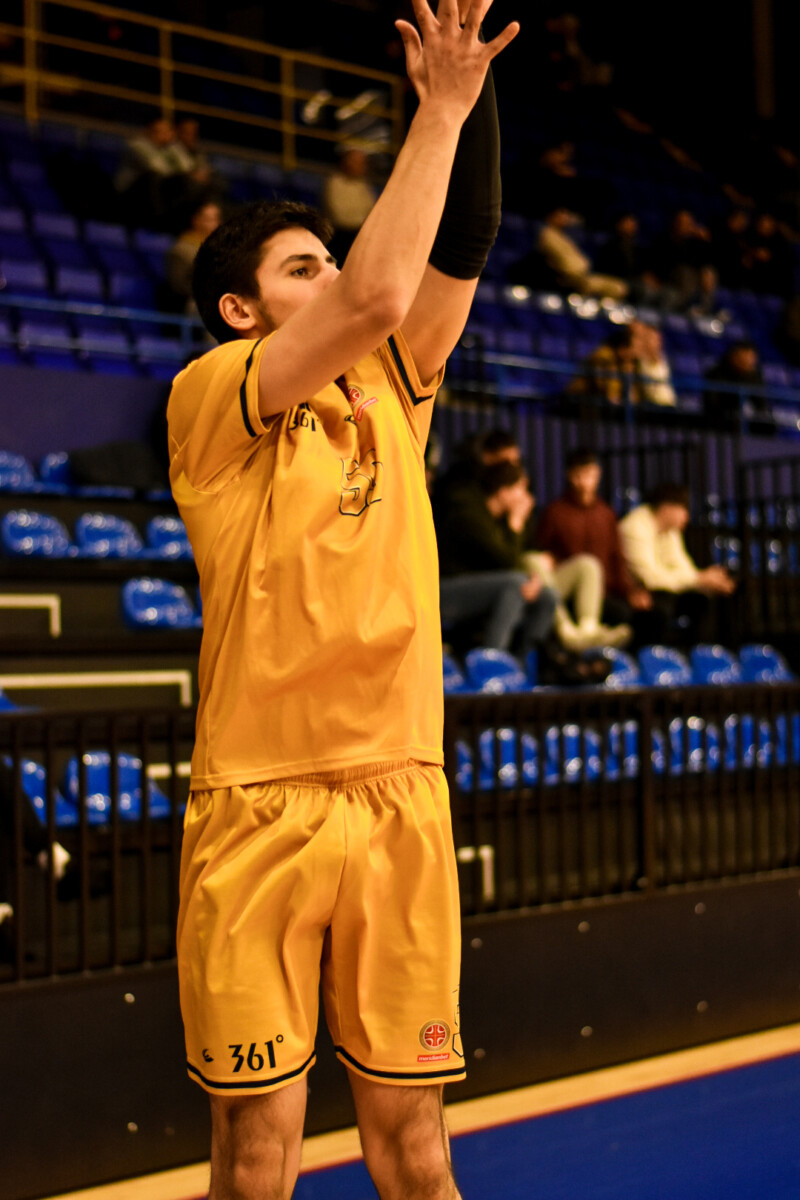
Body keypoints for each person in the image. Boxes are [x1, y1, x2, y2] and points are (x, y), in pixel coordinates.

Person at [166, 4, 519, 1198]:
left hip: (396, 791)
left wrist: (468, 74)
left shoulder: (396, 381)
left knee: (415, 1151)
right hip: (257, 804)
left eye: (329, 257)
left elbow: (459, 237)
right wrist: (437, 111)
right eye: (299, 267)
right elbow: (371, 292)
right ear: (241, 308)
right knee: (254, 1158)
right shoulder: (212, 394)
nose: (333, 274)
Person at [536, 447, 661, 646]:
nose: (585, 481)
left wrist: (630, 590)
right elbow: (543, 555)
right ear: (570, 475)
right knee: (617, 610)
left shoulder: (605, 514)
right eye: (580, 474)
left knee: (648, 614)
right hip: (571, 589)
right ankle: (586, 639)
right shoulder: (555, 513)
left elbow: (617, 557)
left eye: (590, 474)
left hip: (606, 591)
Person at [437, 460, 558, 654]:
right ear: (503, 492)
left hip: (483, 587)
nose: (526, 497)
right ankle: (492, 656)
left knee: (547, 596)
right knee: (516, 584)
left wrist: (532, 579)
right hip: (447, 591)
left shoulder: (500, 520)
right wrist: (516, 522)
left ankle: (526, 662)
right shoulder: (471, 516)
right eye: (520, 489)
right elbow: (507, 562)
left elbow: (517, 559)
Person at [619, 483, 735, 644]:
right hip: (634, 592)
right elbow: (650, 578)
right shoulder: (635, 527)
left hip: (662, 591)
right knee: (662, 607)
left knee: (702, 599)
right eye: (684, 509)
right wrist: (699, 579)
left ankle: (704, 653)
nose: (687, 516)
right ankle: (656, 655)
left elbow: (683, 567)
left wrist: (706, 581)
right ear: (667, 508)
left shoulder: (671, 531)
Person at [162, 201, 223, 315]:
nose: (214, 224)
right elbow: (179, 287)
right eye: (209, 220)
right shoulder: (181, 250)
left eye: (216, 219)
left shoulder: (222, 248)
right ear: (196, 220)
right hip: (194, 303)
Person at [322, 146, 378, 264]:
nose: (361, 166)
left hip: (359, 235)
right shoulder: (334, 183)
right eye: (356, 161)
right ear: (346, 161)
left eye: (363, 162)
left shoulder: (363, 184)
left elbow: (372, 211)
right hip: (341, 236)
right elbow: (340, 217)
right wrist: (363, 221)